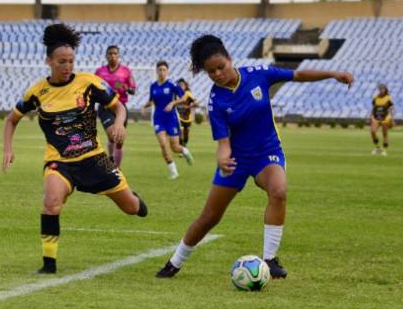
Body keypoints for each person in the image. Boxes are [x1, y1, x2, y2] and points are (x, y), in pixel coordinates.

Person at [156, 35, 353, 280]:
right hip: (237, 160)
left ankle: (269, 260)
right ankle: (174, 263)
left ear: (230, 59)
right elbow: (224, 143)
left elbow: (298, 75)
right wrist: (222, 159)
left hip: (266, 153)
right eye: (210, 72)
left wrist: (333, 74)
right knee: (210, 217)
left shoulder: (259, 73)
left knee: (279, 191)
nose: (217, 74)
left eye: (221, 67)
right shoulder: (216, 101)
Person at [2, 23, 148, 275]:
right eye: (61, 61)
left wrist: (119, 124)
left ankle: (133, 197)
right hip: (60, 162)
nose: (68, 66)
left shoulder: (89, 83)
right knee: (51, 201)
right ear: (49, 61)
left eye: (71, 61)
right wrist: (7, 149)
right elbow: (11, 119)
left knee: (131, 209)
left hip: (94, 159)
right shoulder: (37, 92)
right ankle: (49, 265)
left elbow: (119, 107)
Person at [141, 61, 194, 179]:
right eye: (160, 70)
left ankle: (185, 152)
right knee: (163, 145)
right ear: (156, 71)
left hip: (171, 119)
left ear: (168, 71)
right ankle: (174, 172)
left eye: (164, 70)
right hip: (158, 119)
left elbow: (184, 98)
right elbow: (151, 101)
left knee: (174, 147)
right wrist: (144, 106)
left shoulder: (172, 84)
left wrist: (173, 103)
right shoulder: (153, 86)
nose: (162, 72)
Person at [94, 45, 136, 169]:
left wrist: (128, 88)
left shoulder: (126, 71)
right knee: (113, 135)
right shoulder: (99, 72)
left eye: (115, 53)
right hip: (105, 107)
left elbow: (133, 90)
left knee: (120, 140)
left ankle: (117, 167)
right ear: (106, 56)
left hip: (121, 108)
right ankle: (112, 157)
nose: (112, 56)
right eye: (110, 53)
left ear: (118, 56)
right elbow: (93, 89)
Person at [368, 83, 395, 156]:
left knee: (385, 134)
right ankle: (377, 147)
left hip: (384, 118)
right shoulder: (375, 97)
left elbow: (391, 109)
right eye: (380, 89)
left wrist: (392, 119)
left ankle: (384, 150)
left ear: (385, 90)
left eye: (383, 89)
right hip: (376, 117)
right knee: (373, 131)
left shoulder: (388, 98)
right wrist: (369, 116)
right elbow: (373, 107)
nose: (381, 90)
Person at [173, 78, 198, 147]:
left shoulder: (188, 94)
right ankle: (181, 149)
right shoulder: (175, 94)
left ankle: (184, 145)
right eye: (179, 85)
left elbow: (196, 103)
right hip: (178, 117)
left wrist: (188, 107)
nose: (181, 87)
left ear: (185, 86)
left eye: (182, 85)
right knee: (180, 133)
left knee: (186, 135)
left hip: (188, 117)